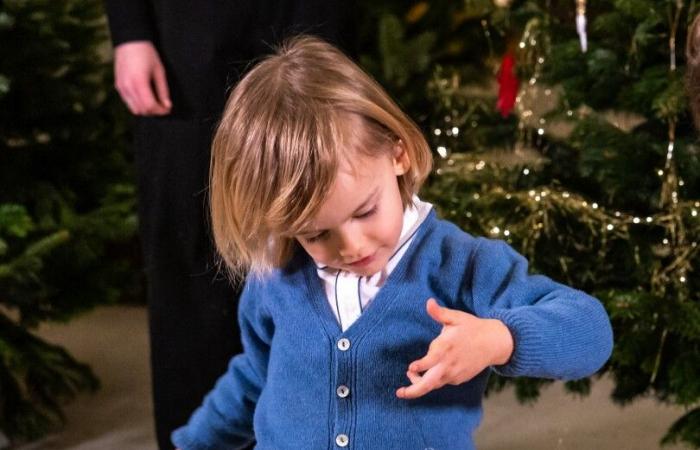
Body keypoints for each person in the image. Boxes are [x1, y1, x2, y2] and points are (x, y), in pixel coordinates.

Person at [172, 36, 614, 450]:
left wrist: (500, 338)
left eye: (364, 211)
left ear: (398, 153)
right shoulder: (275, 274)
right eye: (315, 233)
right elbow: (255, 375)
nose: (351, 245)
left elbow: (590, 329)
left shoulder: (461, 264)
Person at [102, 3, 354, 449]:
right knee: (186, 267)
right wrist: (129, 31)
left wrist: (321, 48)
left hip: (302, 27)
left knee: (310, 260)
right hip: (180, 50)